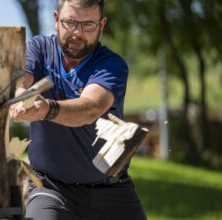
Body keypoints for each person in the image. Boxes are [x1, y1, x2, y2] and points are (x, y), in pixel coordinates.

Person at [9, 0, 147, 219]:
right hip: (51, 187)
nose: (77, 33)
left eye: (88, 25)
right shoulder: (39, 48)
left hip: (111, 190)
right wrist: (19, 97)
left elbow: (90, 108)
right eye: (70, 22)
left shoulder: (111, 65)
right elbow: (21, 81)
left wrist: (48, 109)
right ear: (56, 20)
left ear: (101, 24)